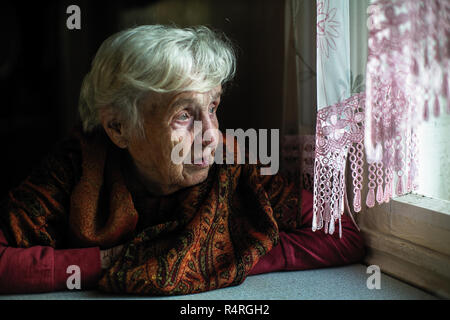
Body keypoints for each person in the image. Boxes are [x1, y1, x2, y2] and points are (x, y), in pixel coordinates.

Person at [0, 25, 364, 295]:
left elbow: (342, 233)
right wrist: (109, 261)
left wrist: (229, 256)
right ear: (118, 127)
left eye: (213, 107)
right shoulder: (75, 170)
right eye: (184, 115)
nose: (211, 135)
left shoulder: (234, 166)